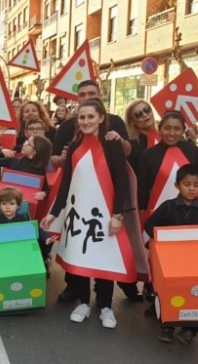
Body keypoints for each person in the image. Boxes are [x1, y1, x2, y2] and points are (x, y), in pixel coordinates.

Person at [40, 98, 129, 329]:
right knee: (78, 258)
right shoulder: (75, 147)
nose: (86, 121)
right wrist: (54, 212)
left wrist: (117, 214)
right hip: (77, 215)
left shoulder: (112, 143)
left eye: (91, 116)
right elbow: (66, 182)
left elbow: (122, 181)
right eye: (82, 117)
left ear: (101, 118)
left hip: (105, 215)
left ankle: (106, 306)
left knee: (103, 258)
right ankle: (83, 303)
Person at [143, 164, 198, 344]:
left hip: (197, 261)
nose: (191, 189)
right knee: (171, 290)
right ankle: (167, 326)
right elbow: (149, 225)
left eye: (196, 184)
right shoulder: (168, 207)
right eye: (186, 184)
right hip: (171, 260)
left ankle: (191, 329)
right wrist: (161, 239)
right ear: (177, 185)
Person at [51, 80, 131, 168]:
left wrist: (119, 140)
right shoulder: (66, 126)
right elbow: (53, 159)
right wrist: (62, 159)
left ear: (100, 96)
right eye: (82, 95)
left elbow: (128, 151)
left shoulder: (115, 121)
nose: (87, 98)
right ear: (77, 98)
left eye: (91, 93)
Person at [137, 111, 198, 214]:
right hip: (158, 211)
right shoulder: (148, 155)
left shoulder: (192, 150)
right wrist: (143, 211)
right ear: (160, 130)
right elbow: (142, 188)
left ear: (183, 131)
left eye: (177, 129)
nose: (171, 133)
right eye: (167, 128)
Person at [124, 99, 159, 169]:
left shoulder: (164, 136)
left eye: (147, 110)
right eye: (138, 114)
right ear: (132, 121)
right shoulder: (132, 144)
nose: (145, 115)